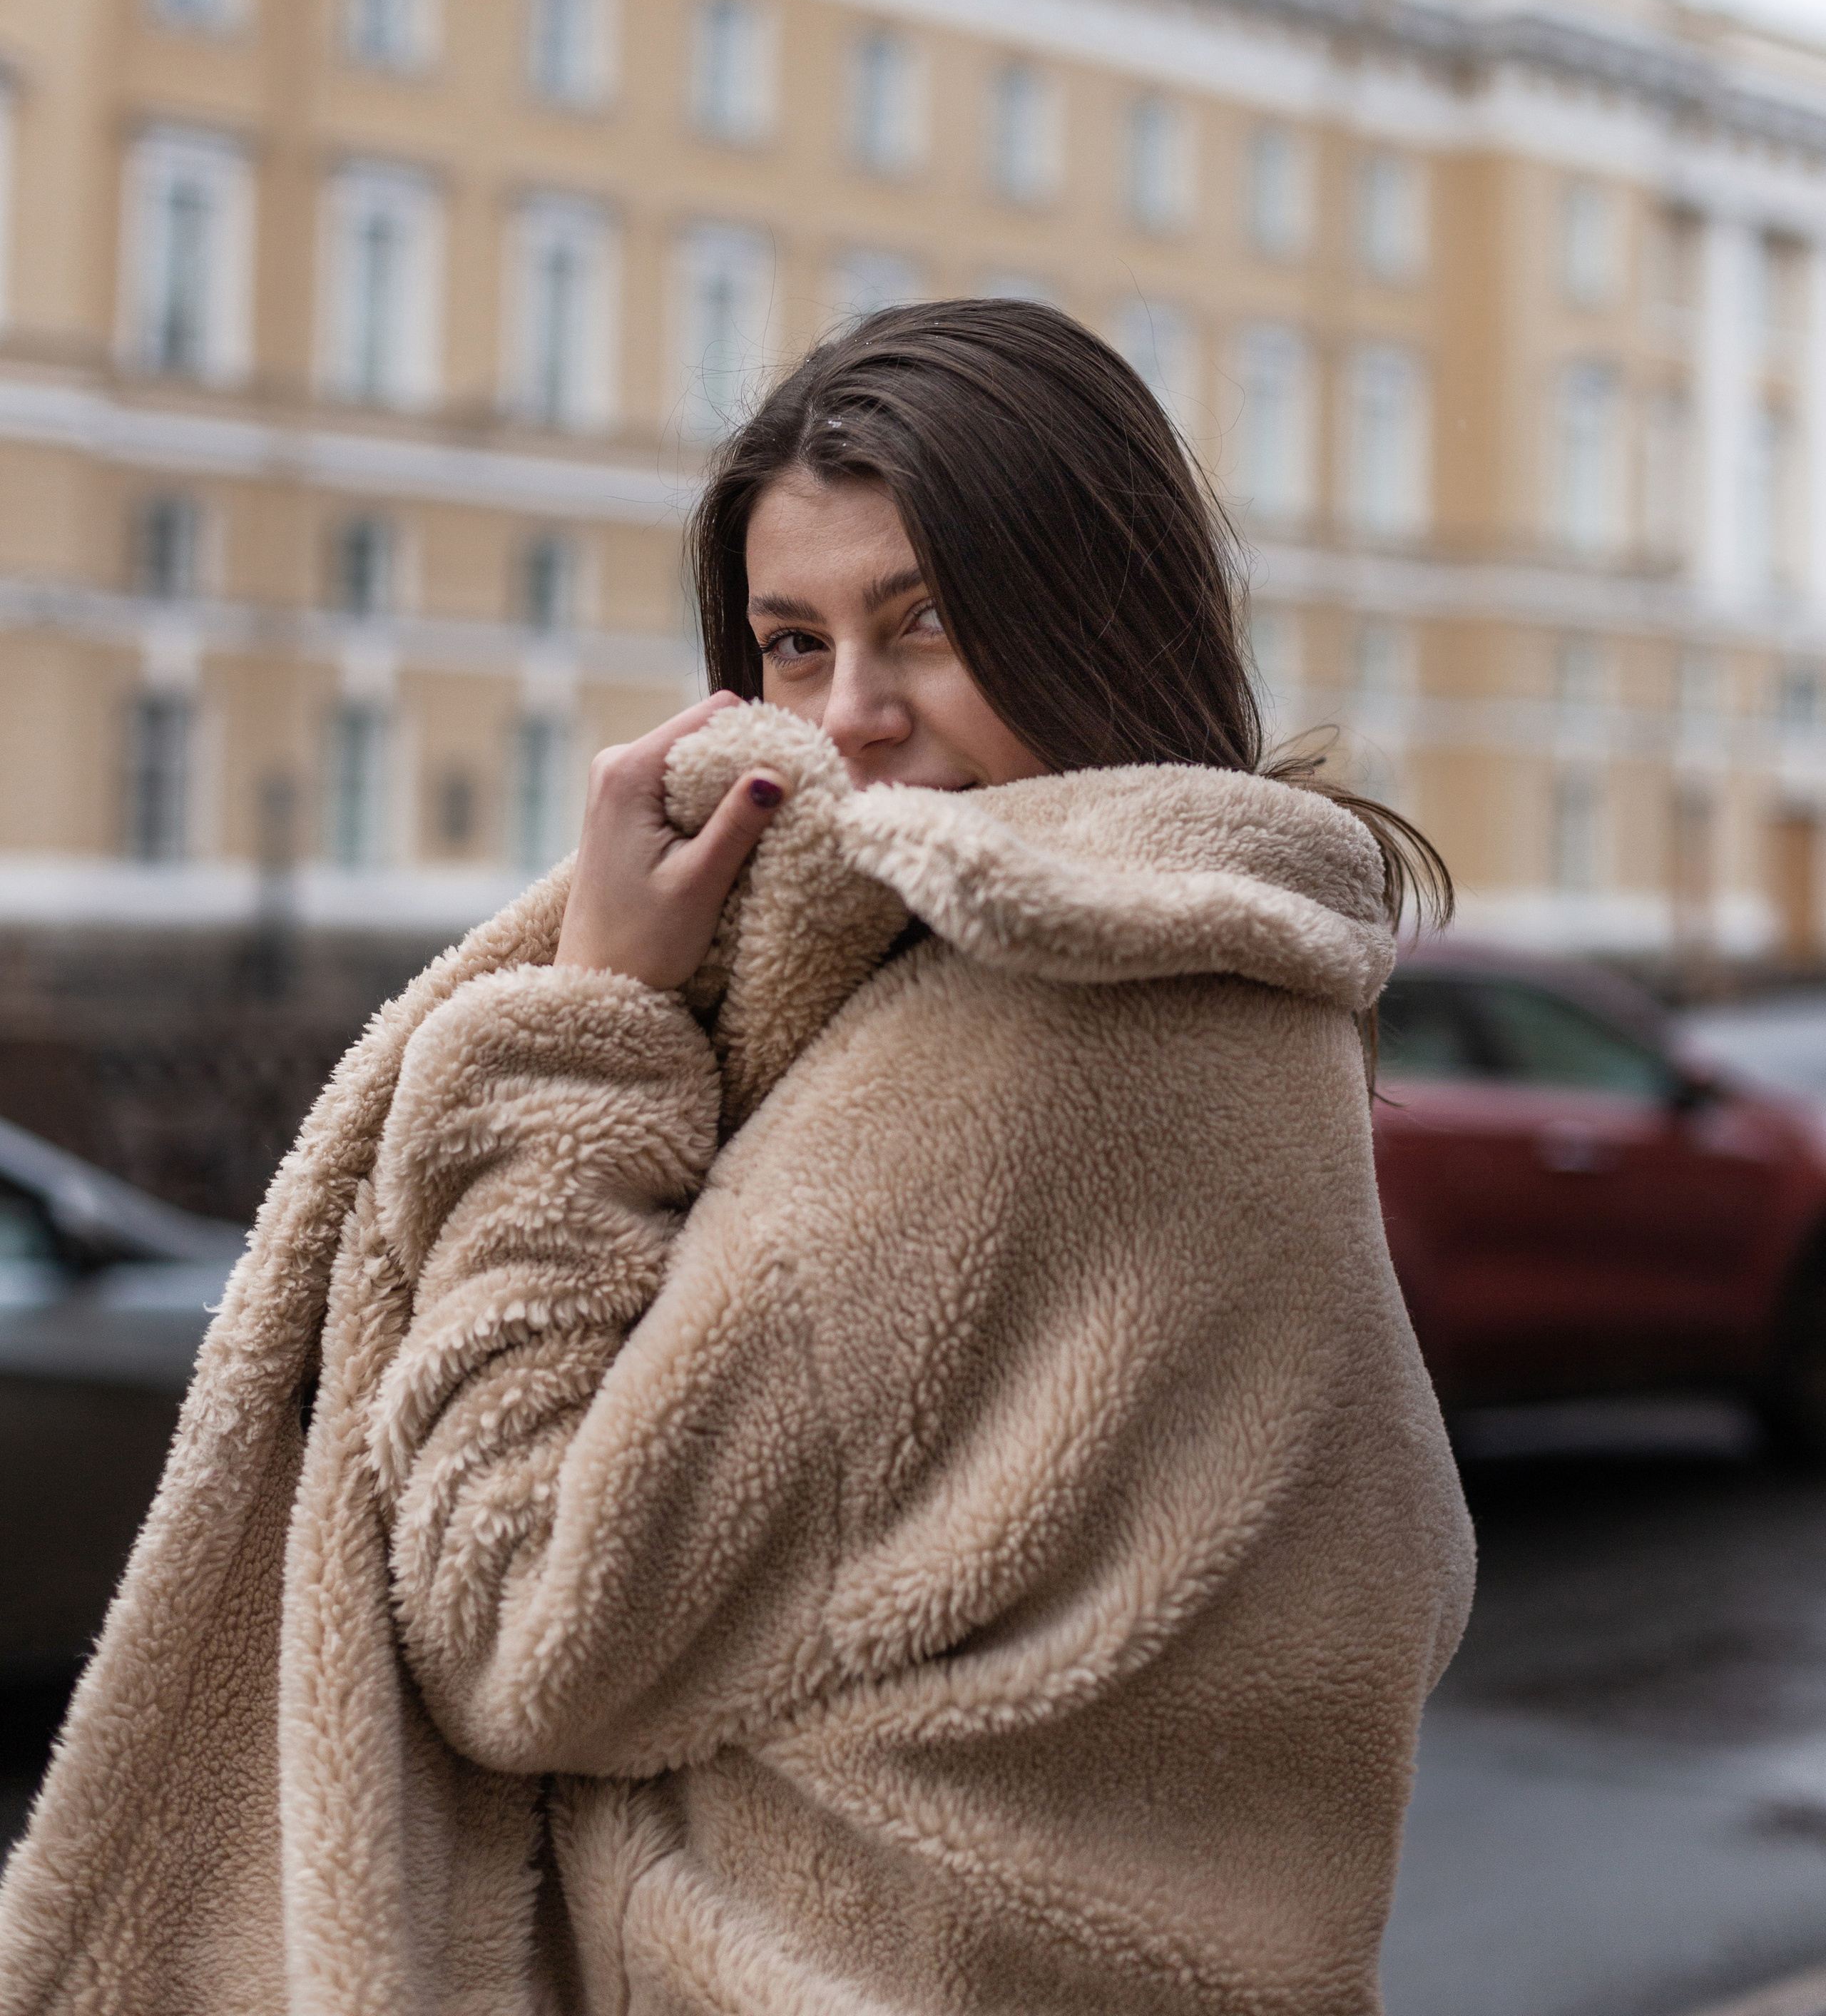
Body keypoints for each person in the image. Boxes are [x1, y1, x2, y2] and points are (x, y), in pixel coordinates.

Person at [0, 300, 1474, 2016]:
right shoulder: (1249, 997)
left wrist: (582, 1028)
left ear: (1097, 607)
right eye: (789, 643)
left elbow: (525, 1628)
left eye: (923, 625)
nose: (847, 717)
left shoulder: (1018, 1046)